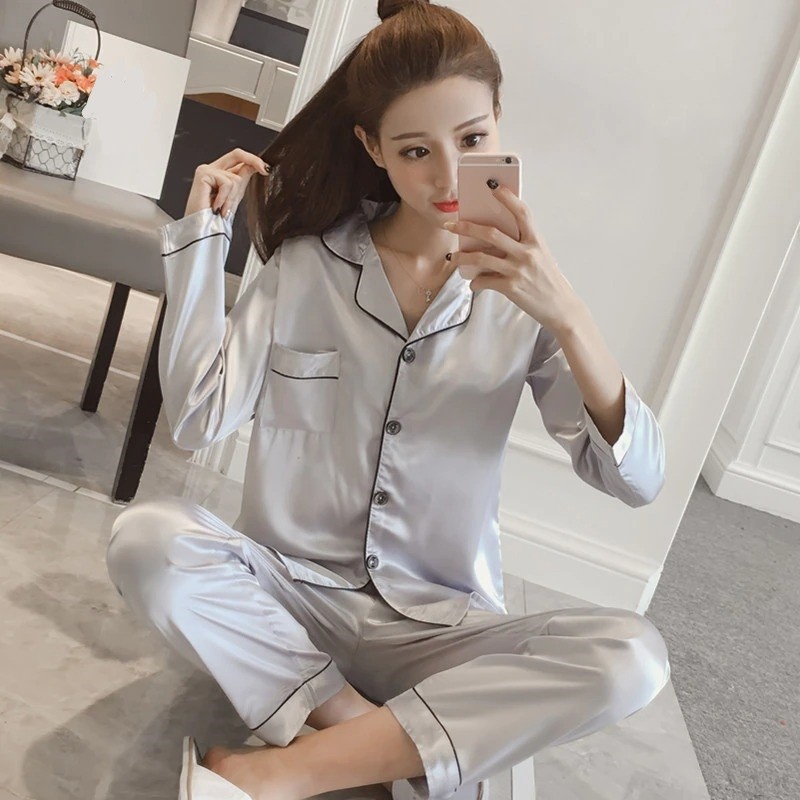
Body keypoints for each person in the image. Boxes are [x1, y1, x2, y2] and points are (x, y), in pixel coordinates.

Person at [106, 1, 671, 799]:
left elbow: (636, 480)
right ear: (373, 148)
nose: (446, 176)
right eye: (415, 151)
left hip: (439, 628)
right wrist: (202, 247)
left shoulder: (523, 297)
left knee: (633, 655)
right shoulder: (306, 266)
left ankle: (283, 768)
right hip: (294, 602)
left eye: (471, 139)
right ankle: (374, 735)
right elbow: (198, 419)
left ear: (498, 120)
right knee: (146, 540)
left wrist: (570, 316)